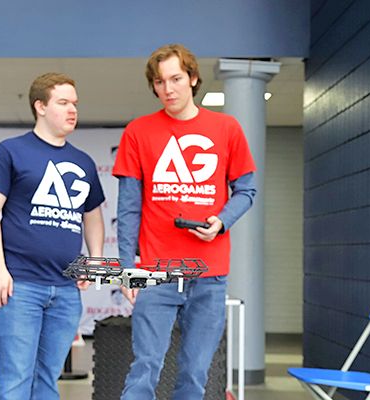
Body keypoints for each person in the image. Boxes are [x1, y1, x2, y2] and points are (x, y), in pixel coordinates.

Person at [113, 44, 257, 400]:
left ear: (193, 79)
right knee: (145, 366)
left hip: (209, 275)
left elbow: (247, 191)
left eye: (176, 79)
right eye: (160, 82)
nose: (168, 89)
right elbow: (129, 208)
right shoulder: (137, 132)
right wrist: (127, 267)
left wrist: (221, 222)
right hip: (156, 272)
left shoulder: (226, 128)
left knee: (195, 373)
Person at [0, 72, 105, 400]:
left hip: (65, 290)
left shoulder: (84, 162)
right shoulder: (11, 151)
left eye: (74, 103)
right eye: (63, 103)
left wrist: (94, 259)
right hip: (18, 286)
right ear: (40, 107)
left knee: (47, 380)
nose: (72, 110)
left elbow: (92, 216)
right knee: (16, 378)